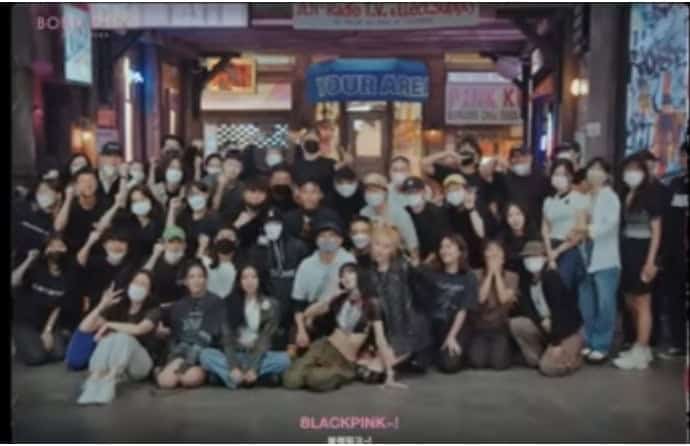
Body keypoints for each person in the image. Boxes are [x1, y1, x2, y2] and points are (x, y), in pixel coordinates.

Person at [284, 263, 404, 391]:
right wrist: (330, 297)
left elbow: (380, 339)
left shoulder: (372, 303)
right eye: (342, 276)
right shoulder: (339, 299)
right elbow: (308, 313)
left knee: (316, 379)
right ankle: (306, 369)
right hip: (324, 347)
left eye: (350, 273)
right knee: (290, 381)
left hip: (344, 360)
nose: (345, 277)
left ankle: (311, 371)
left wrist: (390, 374)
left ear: (359, 275)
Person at [75, 272, 164, 405]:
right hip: (116, 366)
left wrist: (109, 324)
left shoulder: (154, 310)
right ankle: (94, 379)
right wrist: (101, 306)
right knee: (109, 337)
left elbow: (139, 329)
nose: (138, 286)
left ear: (149, 291)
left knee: (124, 336)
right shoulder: (119, 306)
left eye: (143, 284)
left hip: (139, 366)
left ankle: (110, 381)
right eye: (135, 282)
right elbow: (84, 328)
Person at [200, 264, 291, 389]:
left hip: (258, 354)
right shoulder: (228, 303)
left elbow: (265, 339)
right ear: (239, 281)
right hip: (235, 354)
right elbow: (227, 339)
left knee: (285, 360)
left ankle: (233, 377)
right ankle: (243, 377)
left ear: (260, 279)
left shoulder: (271, 304)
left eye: (253, 277)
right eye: (245, 277)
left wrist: (254, 367)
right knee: (205, 355)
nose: (249, 281)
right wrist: (233, 366)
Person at [613, 154, 663, 370]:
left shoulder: (650, 195)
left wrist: (651, 261)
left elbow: (657, 231)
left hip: (644, 251)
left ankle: (641, 350)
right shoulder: (625, 194)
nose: (631, 173)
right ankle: (640, 345)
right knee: (630, 300)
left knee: (643, 302)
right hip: (626, 251)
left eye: (636, 169)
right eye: (628, 169)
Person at [509, 241, 584, 377]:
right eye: (528, 257)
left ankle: (574, 359)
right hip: (546, 326)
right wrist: (541, 320)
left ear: (544, 258)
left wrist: (556, 343)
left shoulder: (551, 277)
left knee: (549, 368)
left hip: (566, 331)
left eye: (535, 256)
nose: (531, 260)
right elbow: (529, 309)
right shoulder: (526, 282)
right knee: (516, 324)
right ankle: (538, 357)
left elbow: (560, 311)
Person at [365, 224, 432, 373]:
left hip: (409, 329)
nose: (380, 250)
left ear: (393, 250)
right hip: (387, 330)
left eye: (386, 246)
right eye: (377, 244)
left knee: (374, 371)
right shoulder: (370, 274)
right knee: (367, 370)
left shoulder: (403, 268)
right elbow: (375, 312)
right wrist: (381, 342)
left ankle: (414, 354)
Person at [577, 158, 621, 364]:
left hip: (605, 258)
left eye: (599, 169)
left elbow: (610, 224)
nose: (594, 173)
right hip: (586, 254)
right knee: (587, 303)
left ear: (607, 175)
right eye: (591, 169)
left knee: (605, 303)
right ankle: (589, 340)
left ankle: (601, 344)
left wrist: (588, 229)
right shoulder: (586, 196)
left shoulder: (610, 197)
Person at [156, 260, 224, 389]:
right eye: (191, 277)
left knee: (189, 379)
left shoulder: (216, 302)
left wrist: (188, 362)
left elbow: (209, 335)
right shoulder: (178, 305)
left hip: (203, 353)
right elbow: (175, 335)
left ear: (206, 279)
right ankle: (165, 370)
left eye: (200, 276)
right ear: (186, 281)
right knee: (166, 382)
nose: (196, 280)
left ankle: (204, 373)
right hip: (180, 353)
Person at [415, 235, 479, 373]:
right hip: (434, 325)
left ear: (460, 251)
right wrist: (426, 262)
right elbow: (415, 272)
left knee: (449, 366)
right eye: (442, 247)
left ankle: (457, 351)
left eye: (449, 246)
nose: (444, 251)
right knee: (419, 364)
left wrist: (451, 336)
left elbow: (463, 309)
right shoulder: (432, 272)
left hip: (456, 324)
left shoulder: (469, 277)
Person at [248, 208, 310, 348]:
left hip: (294, 297)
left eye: (276, 223)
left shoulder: (298, 245)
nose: (272, 227)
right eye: (268, 224)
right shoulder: (258, 248)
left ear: (283, 225)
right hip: (270, 299)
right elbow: (256, 276)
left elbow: (305, 273)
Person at [12, 235, 78, 366]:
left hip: (47, 322)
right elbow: (13, 281)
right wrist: (28, 260)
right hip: (24, 321)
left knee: (59, 353)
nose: (56, 249)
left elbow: (59, 306)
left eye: (60, 246)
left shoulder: (69, 274)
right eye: (52, 246)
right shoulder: (34, 267)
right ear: (45, 249)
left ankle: (54, 337)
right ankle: (22, 342)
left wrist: (48, 330)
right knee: (37, 357)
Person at [291, 219, 356, 351]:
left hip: (339, 312)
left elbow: (350, 295)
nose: (327, 240)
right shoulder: (306, 264)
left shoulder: (349, 261)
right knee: (297, 342)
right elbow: (298, 304)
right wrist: (301, 330)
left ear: (341, 240)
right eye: (322, 236)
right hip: (310, 313)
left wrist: (312, 312)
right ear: (316, 240)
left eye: (332, 236)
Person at [467, 240, 518, 370]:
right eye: (489, 251)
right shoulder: (475, 274)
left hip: (500, 328)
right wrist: (490, 274)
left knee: (498, 364)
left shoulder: (512, 277)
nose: (493, 255)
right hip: (479, 328)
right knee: (477, 363)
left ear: (503, 258)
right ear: (484, 257)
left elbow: (503, 298)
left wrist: (497, 274)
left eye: (497, 252)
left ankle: (508, 349)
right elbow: (480, 298)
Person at [657, 140, 688, 358]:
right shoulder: (674, 183)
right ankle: (678, 342)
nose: (686, 160)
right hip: (675, 252)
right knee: (675, 298)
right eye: (684, 155)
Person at [541, 158, 590, 292]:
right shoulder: (549, 201)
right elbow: (545, 228)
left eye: (563, 174)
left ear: (571, 177)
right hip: (550, 246)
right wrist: (550, 252)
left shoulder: (580, 199)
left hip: (570, 247)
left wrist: (557, 252)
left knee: (562, 286)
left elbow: (580, 232)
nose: (559, 178)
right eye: (556, 174)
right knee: (548, 285)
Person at [360, 172, 419, 263]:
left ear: (385, 192)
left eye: (375, 190)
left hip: (396, 258)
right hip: (373, 259)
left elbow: (412, 245)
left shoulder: (399, 213)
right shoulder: (364, 213)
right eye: (368, 190)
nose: (371, 194)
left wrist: (415, 262)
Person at [77, 227, 136, 310]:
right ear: (104, 245)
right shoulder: (94, 261)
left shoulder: (131, 269)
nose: (116, 245)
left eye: (122, 241)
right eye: (112, 241)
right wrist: (89, 243)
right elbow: (79, 263)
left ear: (128, 247)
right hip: (89, 307)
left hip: (116, 309)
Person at [54, 169, 110, 253]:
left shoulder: (106, 203)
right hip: (72, 251)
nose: (88, 184)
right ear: (76, 186)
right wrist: (68, 198)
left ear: (97, 184)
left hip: (99, 251)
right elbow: (58, 227)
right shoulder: (68, 204)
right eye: (83, 181)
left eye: (91, 180)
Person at [401, 176, 451, 264]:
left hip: (435, 260)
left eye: (415, 191)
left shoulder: (436, 212)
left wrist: (426, 263)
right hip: (411, 259)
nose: (412, 195)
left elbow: (443, 239)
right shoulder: (404, 212)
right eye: (408, 193)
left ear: (423, 192)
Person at [12, 179, 62, 266]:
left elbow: (55, 231)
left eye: (47, 191)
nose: (45, 194)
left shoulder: (48, 221)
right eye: (42, 191)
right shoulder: (19, 205)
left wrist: (56, 207)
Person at [443, 174, 487, 268]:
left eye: (456, 189)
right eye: (449, 191)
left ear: (465, 190)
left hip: (478, 259)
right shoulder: (447, 211)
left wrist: (471, 209)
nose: (453, 193)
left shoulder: (477, 205)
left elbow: (481, 233)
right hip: (458, 262)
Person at [168, 181, 222, 257]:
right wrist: (172, 209)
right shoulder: (184, 216)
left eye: (198, 193)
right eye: (191, 195)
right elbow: (170, 234)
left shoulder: (215, 219)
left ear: (206, 195)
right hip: (182, 256)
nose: (195, 198)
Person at [143, 226, 190, 307]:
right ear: (164, 244)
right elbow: (142, 278)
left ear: (184, 245)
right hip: (153, 307)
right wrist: (155, 255)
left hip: (180, 307)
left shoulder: (189, 265)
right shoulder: (152, 261)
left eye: (179, 242)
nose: (175, 246)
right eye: (171, 242)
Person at [283, 179, 338, 247]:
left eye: (314, 192)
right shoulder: (289, 218)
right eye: (305, 192)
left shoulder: (331, 216)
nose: (309, 196)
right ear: (298, 195)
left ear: (321, 195)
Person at [119, 185, 165, 265]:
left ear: (150, 200)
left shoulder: (159, 221)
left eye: (142, 199)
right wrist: (117, 205)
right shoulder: (125, 221)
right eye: (135, 201)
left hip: (152, 263)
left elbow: (164, 241)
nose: (139, 204)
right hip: (127, 264)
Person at [504, 146, 550, 225]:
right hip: (512, 226)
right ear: (510, 160)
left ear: (530, 158)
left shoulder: (542, 178)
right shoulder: (505, 178)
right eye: (515, 157)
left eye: (523, 156)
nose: (519, 159)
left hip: (536, 225)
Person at [230, 176, 271, 255]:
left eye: (261, 192)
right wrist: (236, 225)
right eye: (252, 191)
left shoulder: (271, 212)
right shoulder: (232, 212)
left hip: (265, 254)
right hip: (237, 254)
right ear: (243, 193)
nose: (256, 196)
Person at [291, 129, 337, 197]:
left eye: (315, 141)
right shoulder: (293, 165)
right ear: (302, 144)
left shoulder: (331, 163)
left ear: (319, 144)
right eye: (309, 140)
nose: (312, 143)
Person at [197, 226, 238, 300]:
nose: (225, 238)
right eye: (222, 236)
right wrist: (202, 246)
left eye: (229, 236)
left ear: (236, 241)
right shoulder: (206, 262)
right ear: (215, 240)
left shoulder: (239, 268)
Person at [500, 202, 538, 282]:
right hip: (511, 276)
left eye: (518, 214)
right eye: (510, 215)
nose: (515, 219)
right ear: (505, 219)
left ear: (524, 215)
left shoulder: (533, 232)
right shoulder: (503, 235)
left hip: (532, 275)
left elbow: (536, 255)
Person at [212, 151, 245, 221]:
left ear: (242, 169)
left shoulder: (243, 187)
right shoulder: (210, 181)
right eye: (230, 165)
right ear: (223, 165)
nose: (233, 169)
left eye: (238, 166)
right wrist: (221, 186)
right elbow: (213, 210)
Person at [96, 142, 125, 206]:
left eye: (117, 156)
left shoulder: (125, 178)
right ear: (101, 158)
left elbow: (124, 203)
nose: (113, 159)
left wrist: (123, 177)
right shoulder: (92, 175)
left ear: (122, 159)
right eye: (109, 156)